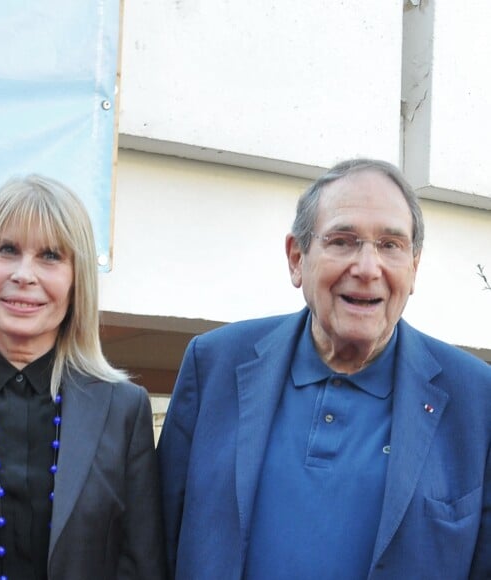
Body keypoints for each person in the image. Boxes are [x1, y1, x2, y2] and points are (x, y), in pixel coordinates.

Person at [158, 158, 491, 579]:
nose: (367, 269)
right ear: (297, 258)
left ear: (413, 268)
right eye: (343, 240)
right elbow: (157, 547)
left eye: (390, 245)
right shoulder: (215, 366)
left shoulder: (476, 400)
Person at [0, 175, 166, 579]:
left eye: (50, 256)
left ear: (76, 279)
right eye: (7, 250)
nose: (24, 274)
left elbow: (142, 565)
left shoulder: (123, 410)